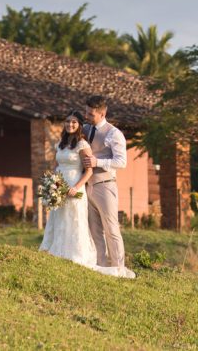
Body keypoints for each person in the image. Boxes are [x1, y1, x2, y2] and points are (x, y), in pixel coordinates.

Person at [39, 111, 132, 278]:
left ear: (80, 125)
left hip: (76, 185)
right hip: (60, 185)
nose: (70, 125)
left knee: (78, 220)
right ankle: (57, 252)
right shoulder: (60, 143)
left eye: (74, 122)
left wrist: (75, 187)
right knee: (60, 217)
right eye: (67, 122)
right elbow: (55, 165)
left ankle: (84, 257)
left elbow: (89, 170)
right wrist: (52, 184)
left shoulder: (83, 144)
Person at [81, 95, 133, 277]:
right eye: (86, 112)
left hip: (105, 185)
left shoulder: (114, 133)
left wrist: (98, 162)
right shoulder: (85, 130)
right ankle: (101, 267)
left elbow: (122, 162)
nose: (86, 116)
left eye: (91, 114)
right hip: (88, 186)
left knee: (111, 229)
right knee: (94, 229)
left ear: (102, 113)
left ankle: (119, 268)